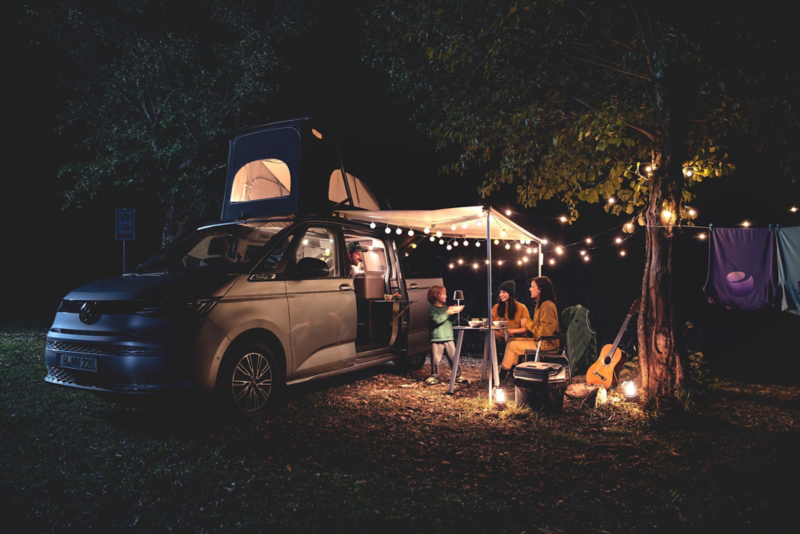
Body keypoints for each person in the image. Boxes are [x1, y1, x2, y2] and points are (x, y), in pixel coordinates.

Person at [499, 276, 560, 381]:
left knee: (512, 345)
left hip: (547, 343)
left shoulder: (547, 305)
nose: (530, 289)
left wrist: (528, 323)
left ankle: (500, 379)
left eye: (532, 287)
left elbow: (546, 331)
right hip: (540, 341)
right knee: (512, 341)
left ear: (540, 289)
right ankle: (510, 376)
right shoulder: (540, 304)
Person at [426, 285, 466, 386]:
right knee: (435, 359)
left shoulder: (446, 308)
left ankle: (458, 375)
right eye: (443, 294)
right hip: (437, 338)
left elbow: (452, 321)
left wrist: (455, 313)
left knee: (454, 357)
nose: (445, 295)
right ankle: (434, 375)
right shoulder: (432, 309)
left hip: (448, 337)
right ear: (436, 295)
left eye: (445, 293)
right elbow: (436, 320)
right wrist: (448, 312)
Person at [490, 279, 531, 354]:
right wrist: (495, 332)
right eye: (500, 292)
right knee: (492, 339)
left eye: (504, 292)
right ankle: (494, 364)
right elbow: (491, 325)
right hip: (500, 338)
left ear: (511, 294)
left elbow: (525, 329)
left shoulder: (521, 307)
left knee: (508, 342)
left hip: (516, 337)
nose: (501, 295)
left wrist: (509, 332)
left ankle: (506, 363)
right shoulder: (496, 307)